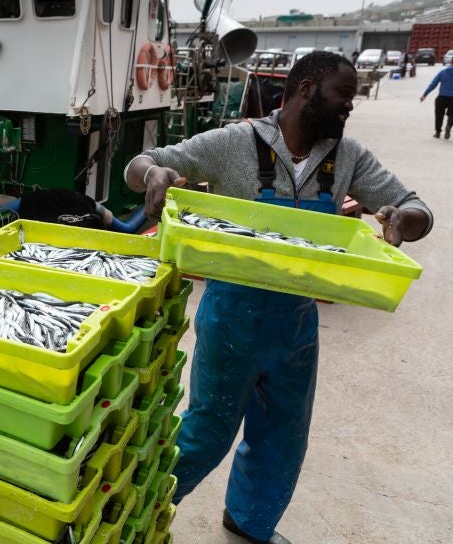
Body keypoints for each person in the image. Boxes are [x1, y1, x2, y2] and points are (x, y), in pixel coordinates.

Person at [124, 52, 432, 544]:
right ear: (308, 89)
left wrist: (405, 219)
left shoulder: (348, 155)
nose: (349, 107)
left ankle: (249, 521)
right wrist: (151, 175)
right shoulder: (233, 143)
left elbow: (416, 206)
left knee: (283, 435)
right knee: (206, 434)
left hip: (296, 325)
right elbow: (145, 163)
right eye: (343, 96)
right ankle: (132, 517)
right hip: (232, 319)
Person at [419, 62, 453, 138]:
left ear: (451, 63)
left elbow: (433, 84)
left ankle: (438, 132)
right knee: (452, 115)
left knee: (439, 115)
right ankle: (448, 126)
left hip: (442, 97)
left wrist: (424, 95)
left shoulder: (443, 72)